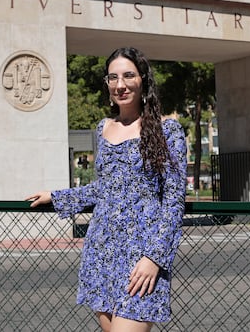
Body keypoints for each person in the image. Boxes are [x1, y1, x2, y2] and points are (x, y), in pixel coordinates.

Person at [27, 47, 187, 332]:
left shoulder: (168, 130)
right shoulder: (104, 127)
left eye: (128, 76)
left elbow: (174, 201)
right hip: (102, 252)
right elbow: (105, 188)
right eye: (113, 78)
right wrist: (57, 196)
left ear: (143, 80)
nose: (120, 85)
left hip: (142, 256)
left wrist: (155, 258)